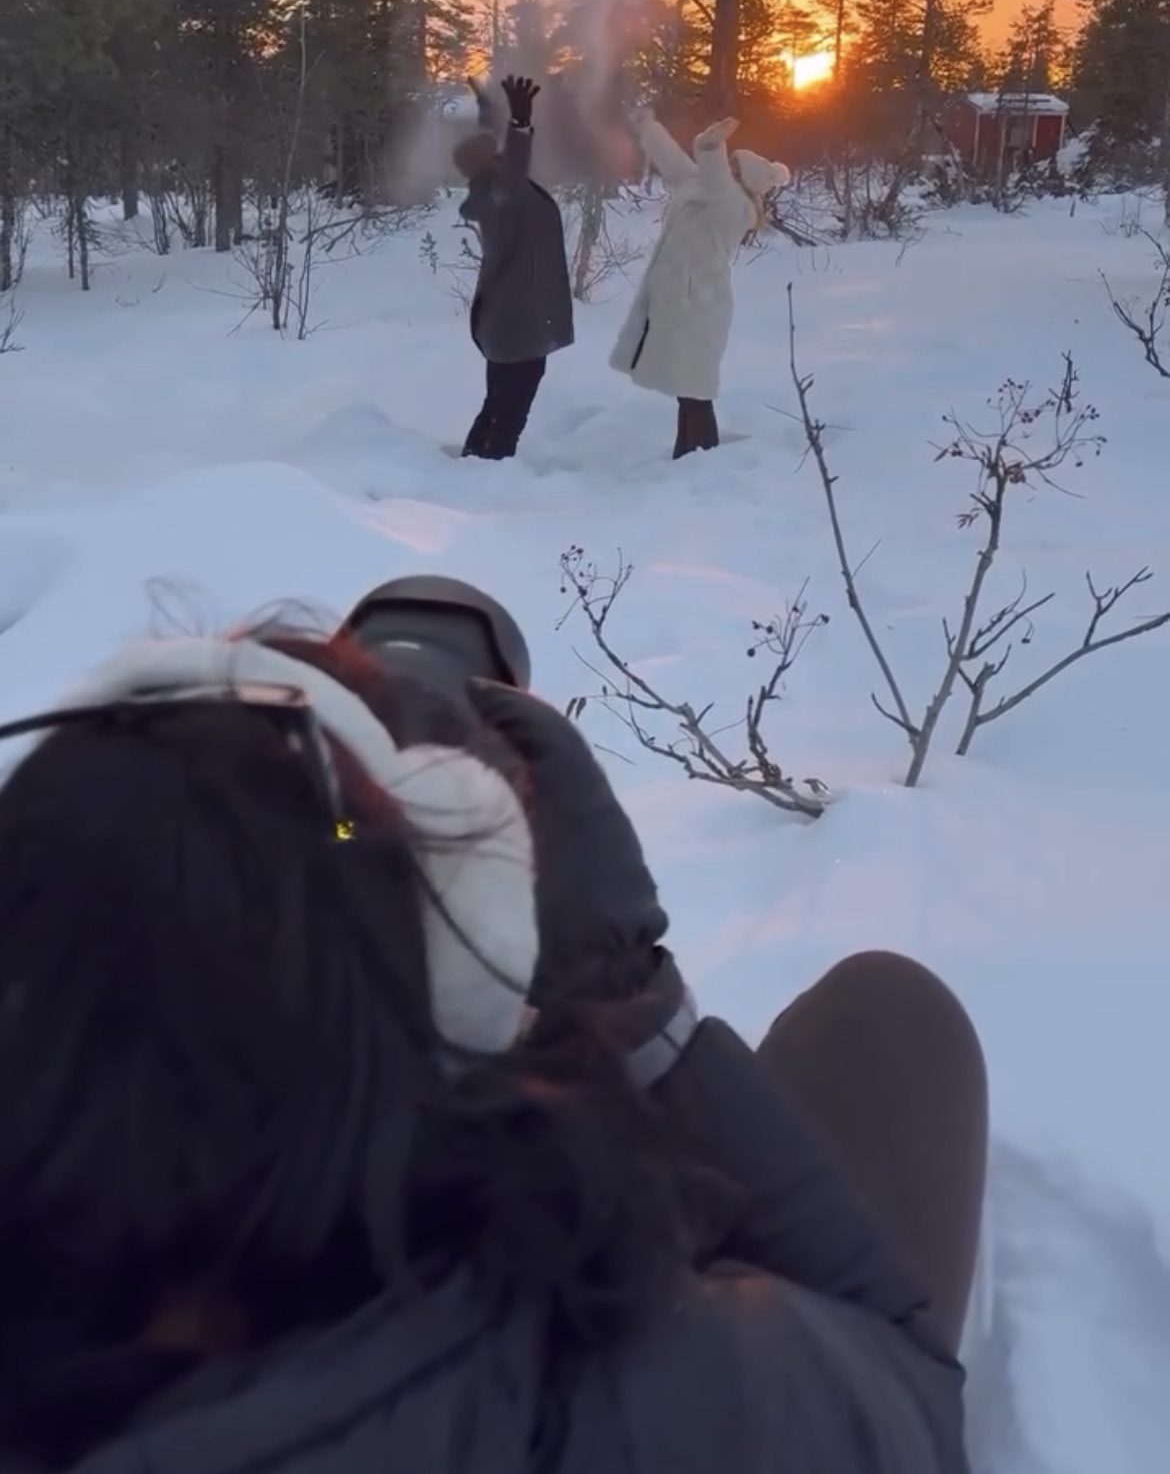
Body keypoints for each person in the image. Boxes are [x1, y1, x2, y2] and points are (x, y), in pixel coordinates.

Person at [0, 617, 984, 1474]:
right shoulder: (596, 1390)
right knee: (890, 1022)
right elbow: (896, 1402)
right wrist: (632, 1010)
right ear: (470, 982)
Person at [611, 108, 790, 458]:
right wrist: (648, 126)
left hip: (703, 303)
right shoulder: (704, 189)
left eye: (734, 167)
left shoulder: (733, 204)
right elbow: (673, 162)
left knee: (695, 388)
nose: (728, 168)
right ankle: (690, 454)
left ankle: (700, 456)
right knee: (688, 386)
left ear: (742, 180)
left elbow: (711, 168)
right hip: (684, 298)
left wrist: (710, 144)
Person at [453, 73, 573, 460]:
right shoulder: (501, 193)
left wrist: (488, 111)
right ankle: (493, 466)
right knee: (511, 406)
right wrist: (520, 123)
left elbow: (497, 154)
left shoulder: (488, 187)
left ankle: (473, 457)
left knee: (499, 398)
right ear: (491, 164)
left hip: (506, 320)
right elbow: (514, 160)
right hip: (517, 320)